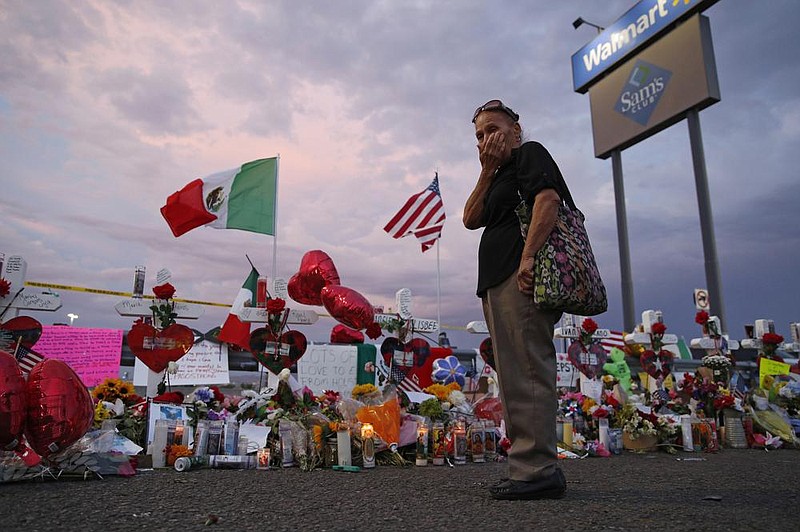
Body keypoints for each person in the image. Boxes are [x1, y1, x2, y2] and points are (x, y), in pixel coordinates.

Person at [463, 99, 568, 501]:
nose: (485, 139)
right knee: (512, 376)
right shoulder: (498, 173)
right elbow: (471, 218)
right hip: (495, 281)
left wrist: (528, 258)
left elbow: (548, 200)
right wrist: (487, 170)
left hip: (519, 277)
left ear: (516, 130)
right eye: (478, 135)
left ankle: (539, 469)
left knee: (528, 369)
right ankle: (528, 466)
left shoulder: (530, 154)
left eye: (493, 129)